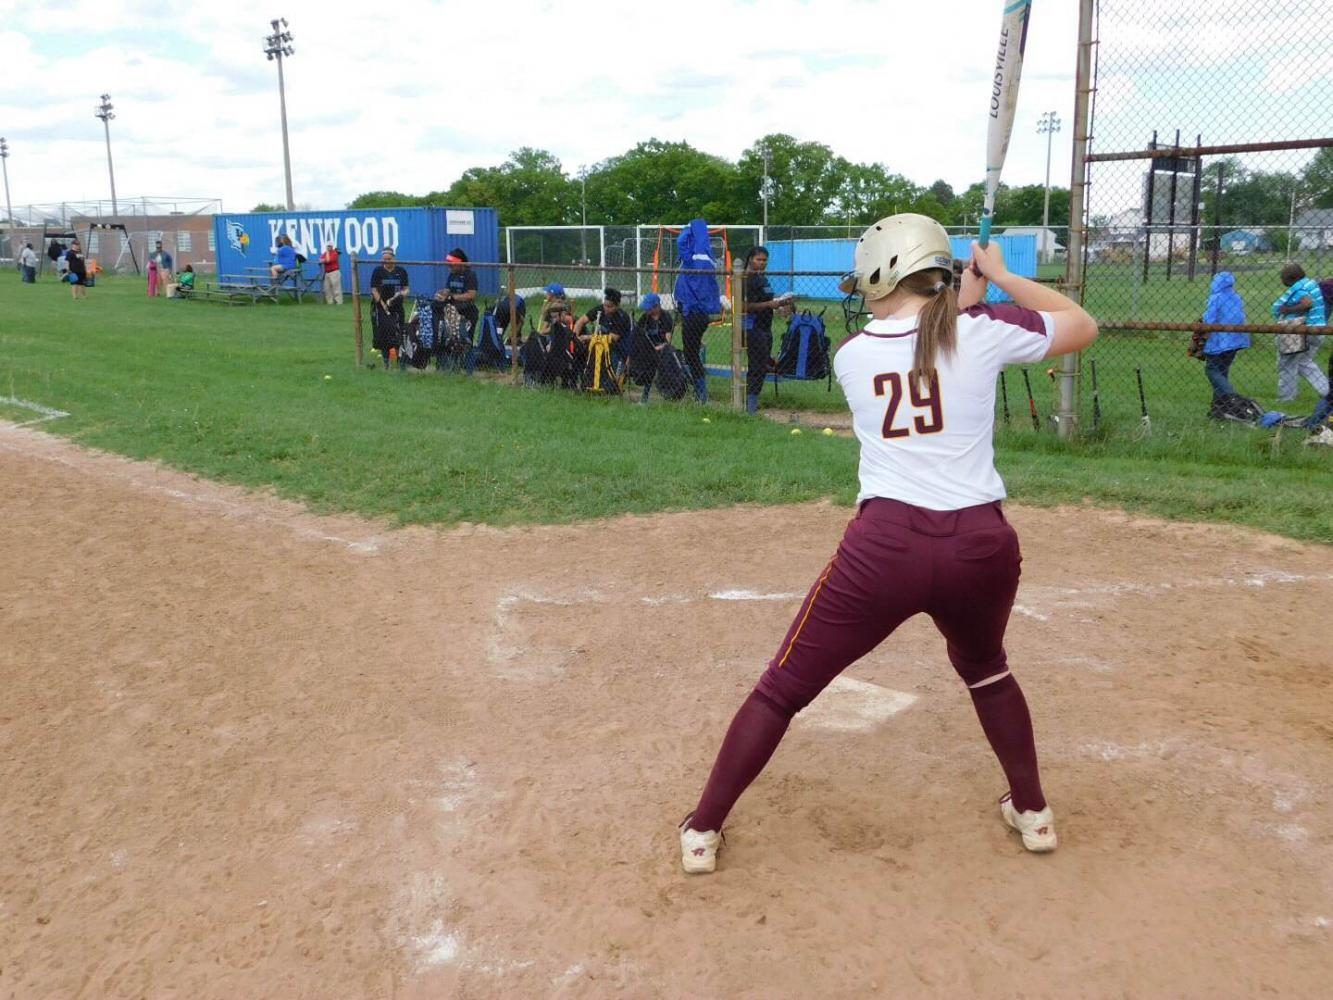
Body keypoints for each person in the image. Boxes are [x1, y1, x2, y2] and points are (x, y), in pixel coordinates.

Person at [677, 214, 1099, 875]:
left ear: (881, 273)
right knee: (986, 667)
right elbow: (1079, 324)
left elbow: (922, 337)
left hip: (886, 550)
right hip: (981, 548)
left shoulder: (853, 354)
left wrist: (964, 299)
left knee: (782, 689)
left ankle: (702, 828)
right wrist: (1000, 278)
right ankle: (1033, 811)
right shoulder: (982, 330)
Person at [742, 245, 795, 414]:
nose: (762, 263)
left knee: (763, 365)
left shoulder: (762, 278)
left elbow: (769, 299)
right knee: (757, 367)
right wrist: (768, 304)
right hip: (752, 327)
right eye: (759, 259)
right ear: (751, 259)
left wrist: (781, 304)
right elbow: (743, 306)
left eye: (765, 260)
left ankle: (753, 402)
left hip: (765, 326)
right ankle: (750, 407)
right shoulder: (745, 279)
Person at [673, 219, 723, 402]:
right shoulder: (709, 258)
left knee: (691, 353)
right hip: (703, 313)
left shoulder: (692, 259)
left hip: (692, 312)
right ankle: (698, 388)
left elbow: (680, 242)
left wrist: (687, 227)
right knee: (693, 350)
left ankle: (701, 393)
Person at [1191, 271, 1251, 416]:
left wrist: (1201, 323)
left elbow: (1209, 320)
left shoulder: (1216, 298)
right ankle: (1219, 407)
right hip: (1237, 340)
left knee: (1212, 370)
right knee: (1222, 372)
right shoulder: (1236, 297)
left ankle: (1231, 395)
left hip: (1219, 341)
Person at [1271, 263, 1328, 403]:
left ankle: (1286, 397)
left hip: (1303, 330)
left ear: (1290, 279)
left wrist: (1287, 310)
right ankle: (1327, 391)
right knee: (1304, 361)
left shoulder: (1300, 288)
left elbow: (1307, 303)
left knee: (1287, 362)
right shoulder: (1310, 284)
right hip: (1318, 328)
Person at [629, 292, 677, 402]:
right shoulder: (645, 318)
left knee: (652, 363)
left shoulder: (666, 318)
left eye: (649, 308)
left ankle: (645, 397)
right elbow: (637, 334)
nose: (646, 310)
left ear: (656, 307)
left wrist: (657, 348)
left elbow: (668, 342)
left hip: (661, 350)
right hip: (647, 350)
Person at [370, 248, 410, 368]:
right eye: (384, 259)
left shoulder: (401, 271)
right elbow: (374, 289)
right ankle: (386, 361)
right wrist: (382, 304)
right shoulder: (378, 271)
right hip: (382, 306)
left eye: (389, 259)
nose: (386, 261)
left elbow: (406, 288)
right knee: (384, 333)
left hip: (397, 306)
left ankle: (400, 359)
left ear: (394, 259)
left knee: (399, 331)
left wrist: (402, 294)